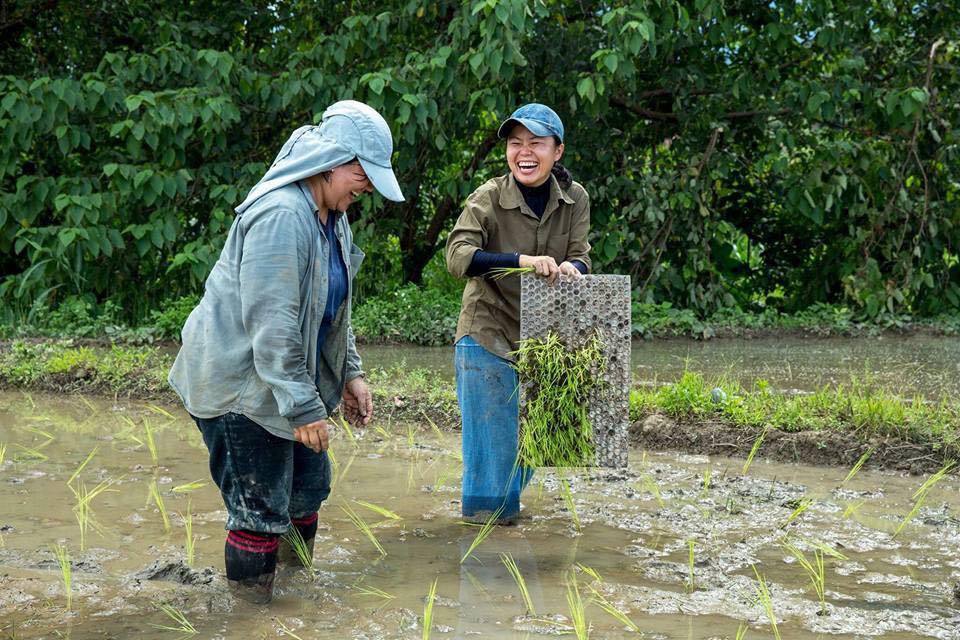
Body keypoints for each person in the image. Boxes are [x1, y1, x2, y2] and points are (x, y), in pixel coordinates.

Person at [168, 100, 404, 604]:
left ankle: (295, 598)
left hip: (285, 380)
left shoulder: (333, 216)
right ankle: (252, 617)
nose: (366, 187)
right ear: (333, 161)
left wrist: (350, 374)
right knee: (260, 508)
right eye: (363, 174)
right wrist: (302, 406)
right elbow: (273, 328)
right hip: (240, 386)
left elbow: (331, 309)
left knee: (307, 489)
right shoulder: (281, 214)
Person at [445, 103, 591, 524]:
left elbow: (581, 255)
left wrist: (572, 269)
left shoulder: (575, 198)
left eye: (536, 143)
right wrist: (523, 261)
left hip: (543, 339)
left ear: (557, 151)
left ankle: (501, 527)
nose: (524, 152)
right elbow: (457, 258)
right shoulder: (488, 197)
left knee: (533, 446)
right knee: (493, 451)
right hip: (486, 331)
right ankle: (486, 537)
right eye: (515, 143)